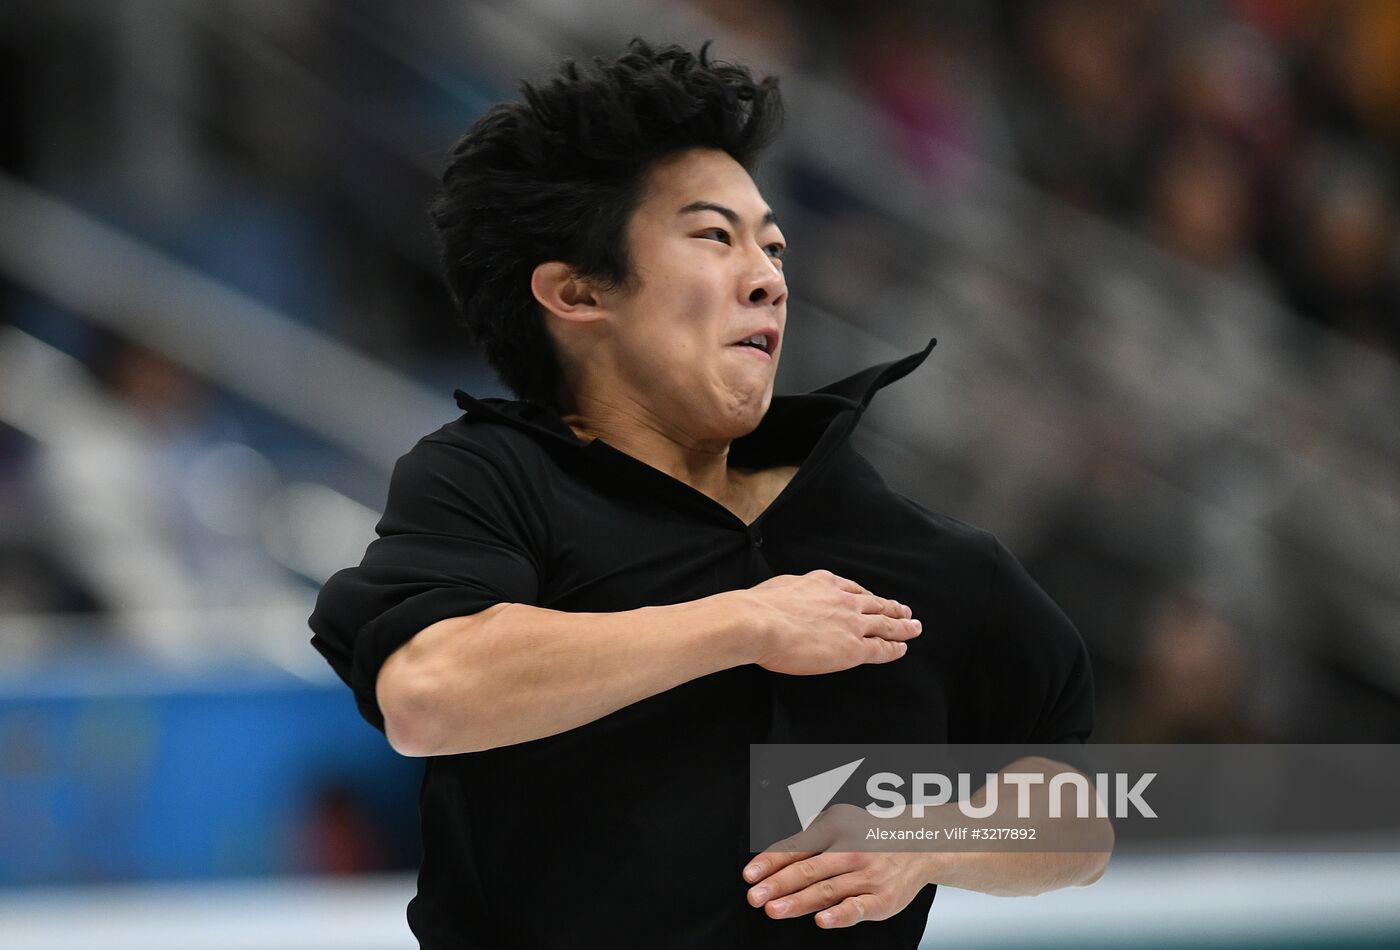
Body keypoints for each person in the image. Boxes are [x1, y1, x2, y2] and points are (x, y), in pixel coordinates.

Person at [310, 39, 1107, 948]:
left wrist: (926, 839)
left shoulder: (906, 550)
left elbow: (1075, 814)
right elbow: (430, 691)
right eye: (715, 237)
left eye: (772, 245)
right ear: (576, 293)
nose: (769, 277)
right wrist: (745, 624)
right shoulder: (493, 481)